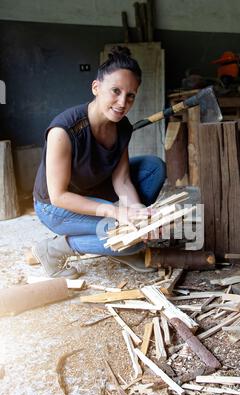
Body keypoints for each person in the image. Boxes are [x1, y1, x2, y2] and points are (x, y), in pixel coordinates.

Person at [33, 46, 166, 279]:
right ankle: (54, 249)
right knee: (128, 239)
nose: (122, 102)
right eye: (115, 91)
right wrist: (115, 212)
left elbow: (122, 179)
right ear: (96, 87)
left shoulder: (122, 126)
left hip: (93, 192)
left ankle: (117, 238)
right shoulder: (64, 131)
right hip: (56, 207)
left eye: (130, 95)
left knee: (154, 168)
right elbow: (58, 196)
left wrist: (135, 209)